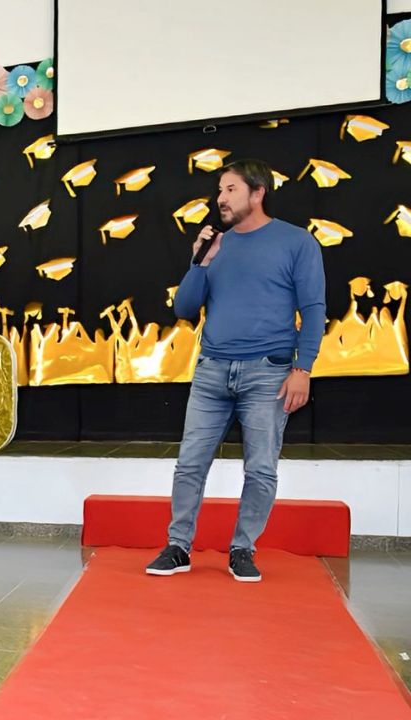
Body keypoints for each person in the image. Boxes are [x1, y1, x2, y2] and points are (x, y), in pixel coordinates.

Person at [146, 159, 326, 583]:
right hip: (211, 371)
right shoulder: (217, 246)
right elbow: (185, 308)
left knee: (260, 468)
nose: (220, 198)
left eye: (230, 190)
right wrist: (200, 261)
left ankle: (243, 550)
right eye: (220, 190)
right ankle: (178, 547)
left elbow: (314, 310)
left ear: (257, 192)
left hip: (269, 373)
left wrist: (303, 368)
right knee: (189, 464)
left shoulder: (296, 242)